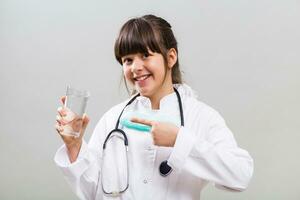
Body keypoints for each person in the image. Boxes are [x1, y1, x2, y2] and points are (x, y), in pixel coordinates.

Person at [54, 14, 253, 200]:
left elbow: (240, 174)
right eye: (128, 60)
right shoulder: (113, 119)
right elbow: (93, 192)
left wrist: (179, 140)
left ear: (171, 57)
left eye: (145, 56)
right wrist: (74, 147)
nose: (135, 67)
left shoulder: (201, 116)